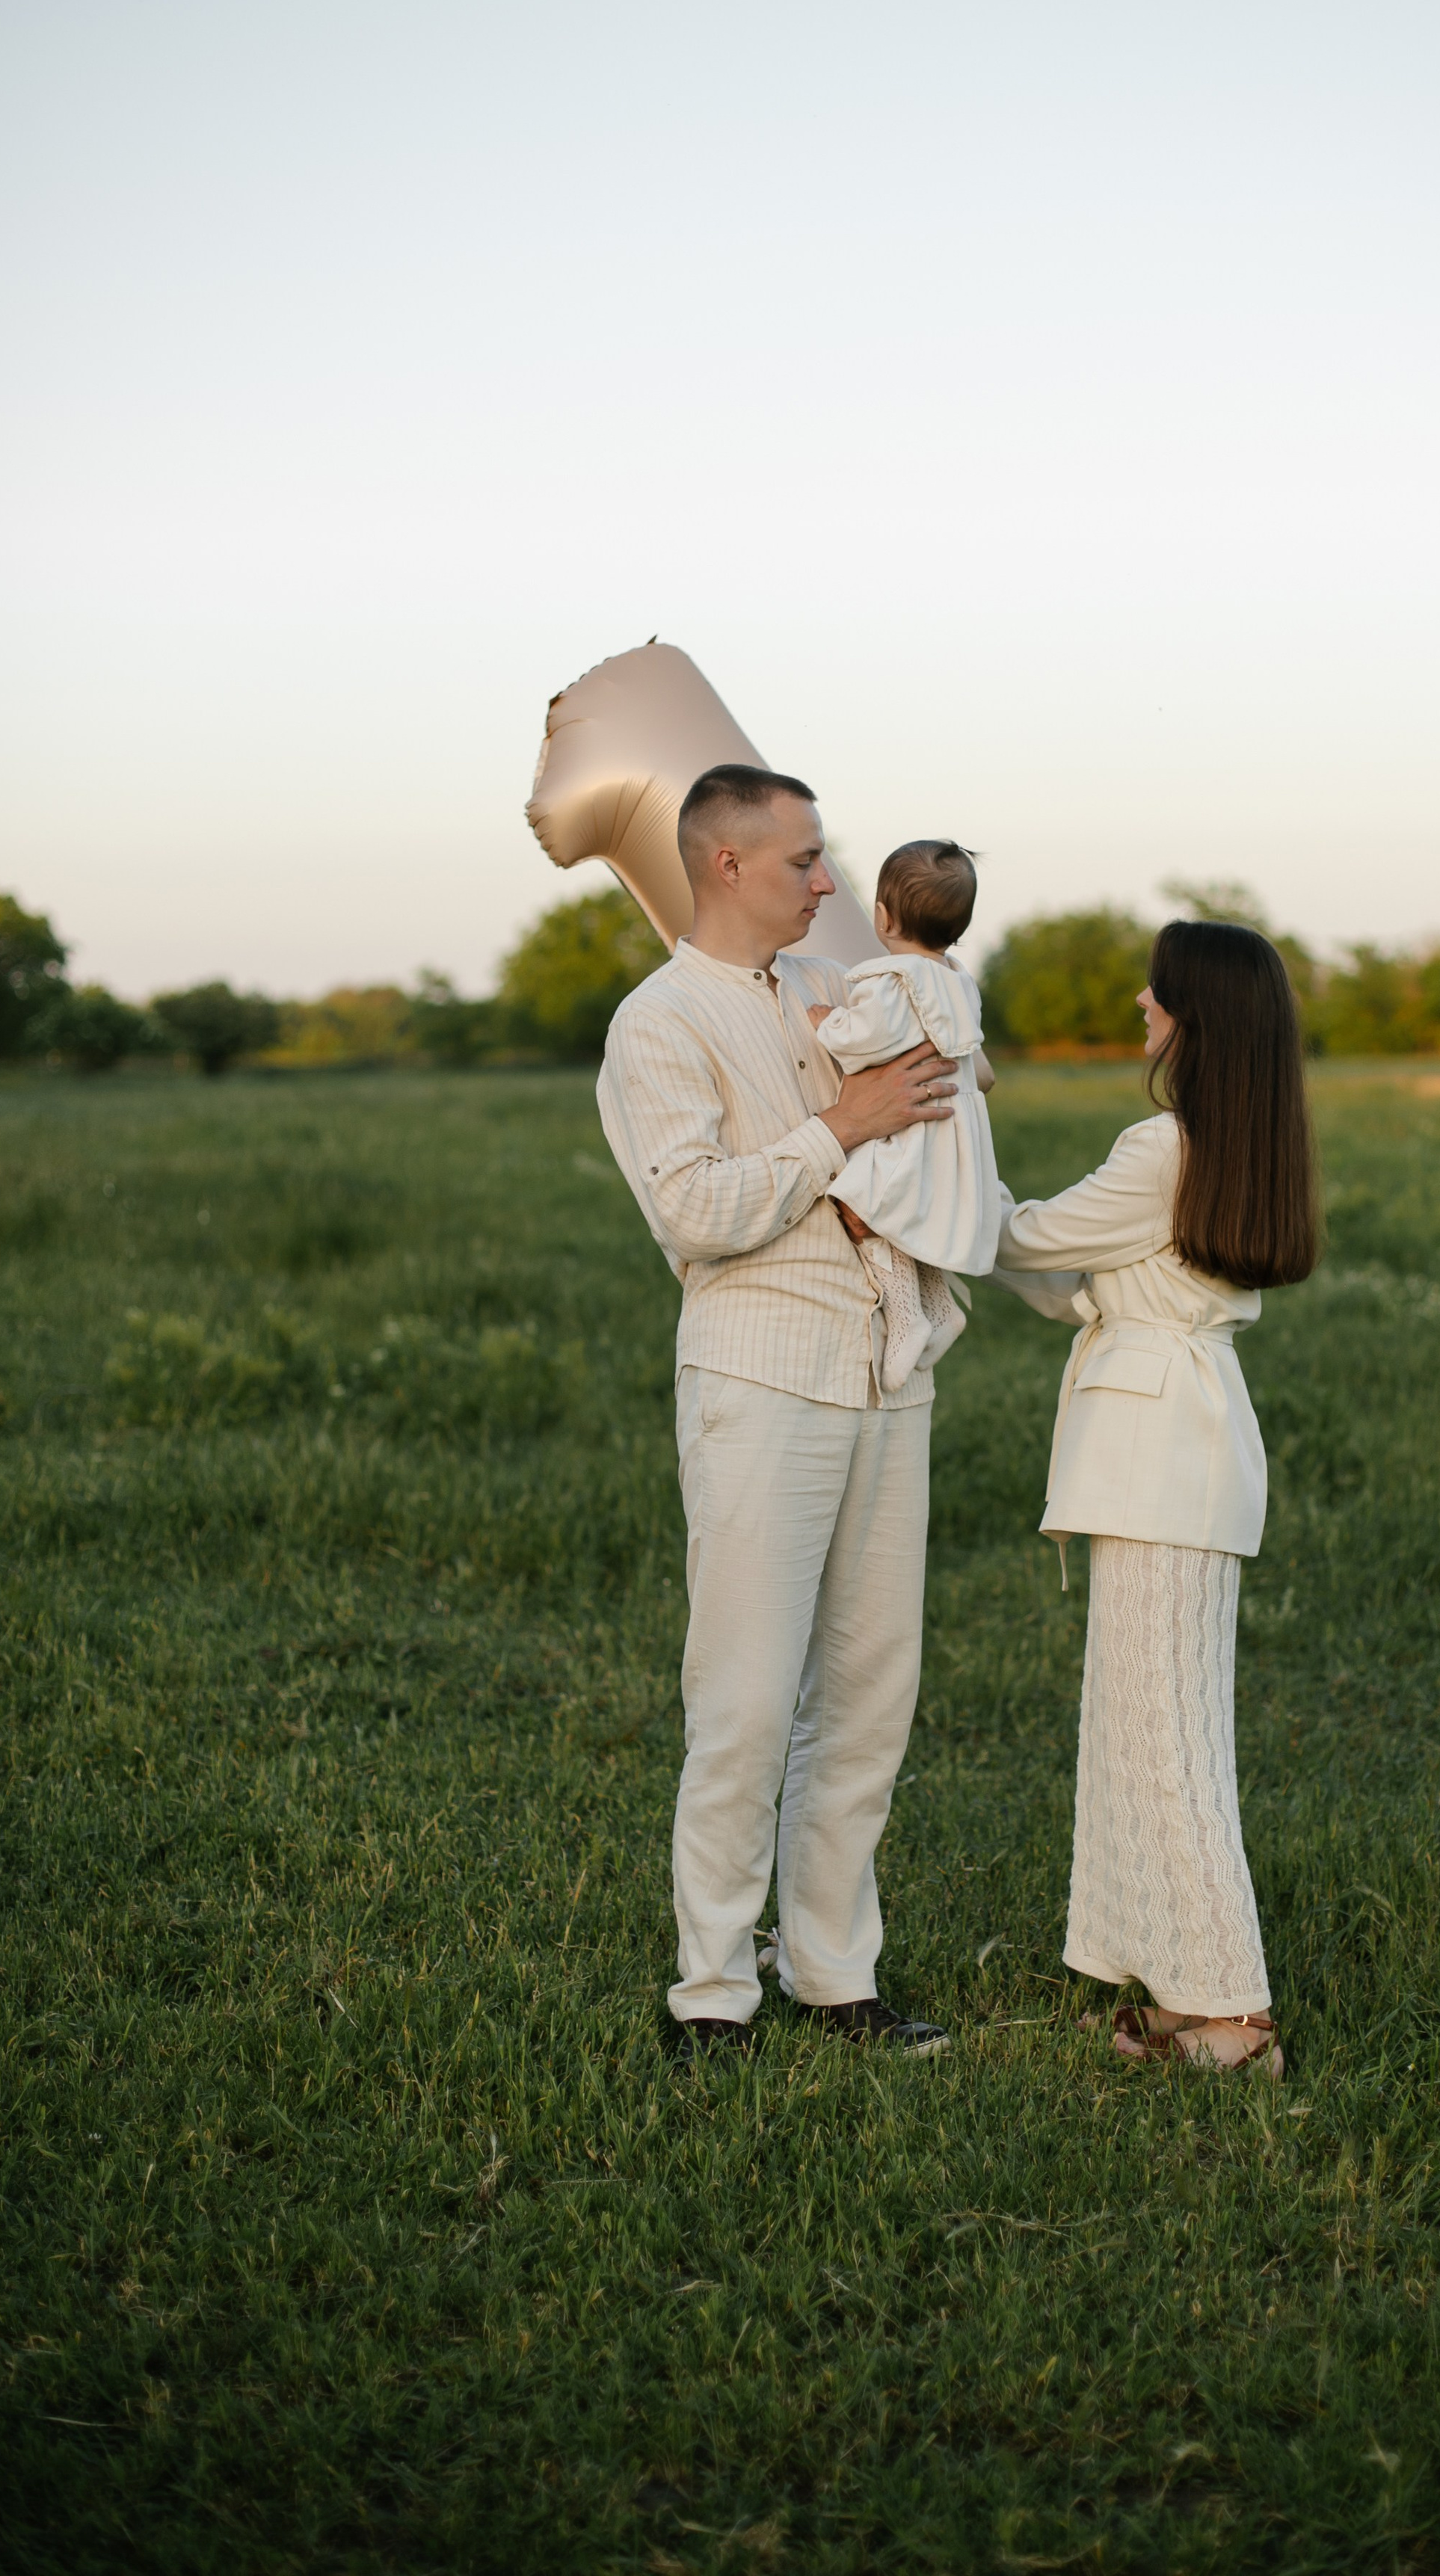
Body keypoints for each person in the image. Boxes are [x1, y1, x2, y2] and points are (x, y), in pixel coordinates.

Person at [597, 762, 959, 2060]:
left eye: (823, 855)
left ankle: (834, 1976)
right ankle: (711, 1998)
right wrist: (842, 1128)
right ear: (727, 864)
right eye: (804, 859)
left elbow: (927, 1124)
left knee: (869, 1695)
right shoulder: (658, 1021)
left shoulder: (834, 985)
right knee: (745, 1703)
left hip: (887, 1368)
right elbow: (695, 1209)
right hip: (759, 1380)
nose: (826, 879)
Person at [991, 919, 1320, 2071]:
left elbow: (1024, 1238)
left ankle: (1234, 2017)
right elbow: (1087, 1281)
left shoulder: (1159, 1150)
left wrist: (937, 1155)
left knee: (1167, 1741)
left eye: (1158, 988)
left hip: (1156, 1461)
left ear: (1197, 1016)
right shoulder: (1238, 1146)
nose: (1142, 1000)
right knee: (1154, 1726)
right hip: (1194, 1445)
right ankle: (1186, 1994)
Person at [808, 839, 1003, 1390]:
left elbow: (866, 1040)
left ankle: (907, 1314)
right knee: (920, 1213)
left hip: (911, 1123)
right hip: (950, 1125)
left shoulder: (894, 980)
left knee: (865, 1200)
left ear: (882, 917)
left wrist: (828, 1022)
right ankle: (940, 1308)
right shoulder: (958, 980)